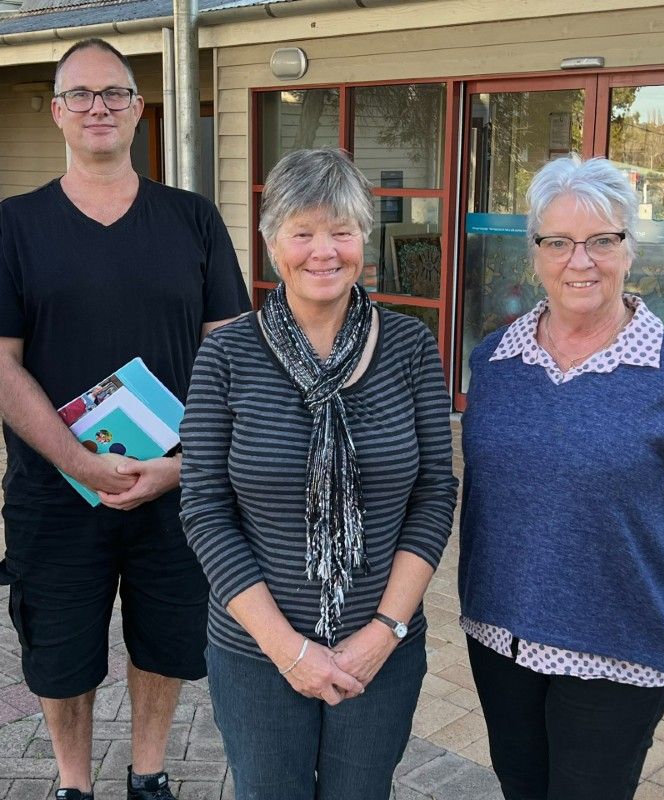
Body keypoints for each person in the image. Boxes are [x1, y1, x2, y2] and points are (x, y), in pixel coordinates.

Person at [0, 38, 250, 800]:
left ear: (138, 109)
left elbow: (230, 359)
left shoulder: (193, 220)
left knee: (167, 639)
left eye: (114, 94)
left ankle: (148, 771)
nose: (98, 108)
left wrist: (181, 468)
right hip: (56, 491)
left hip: (176, 489)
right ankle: (73, 783)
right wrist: (78, 462)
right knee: (60, 649)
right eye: (80, 95)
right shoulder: (14, 227)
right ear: (56, 111)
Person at [179, 148, 458, 799]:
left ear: (365, 237)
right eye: (302, 232)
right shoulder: (226, 354)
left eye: (342, 230)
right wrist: (289, 649)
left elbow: (435, 494)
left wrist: (383, 631)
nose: (323, 251)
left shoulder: (411, 347)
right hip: (256, 654)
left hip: (381, 651)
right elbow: (203, 508)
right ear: (273, 243)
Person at [458, 154, 664, 800]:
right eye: (558, 242)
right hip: (500, 637)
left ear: (629, 251)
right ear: (535, 255)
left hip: (620, 646)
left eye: (601, 241)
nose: (579, 261)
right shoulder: (495, 362)